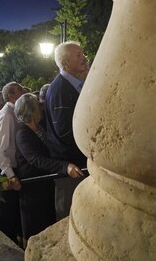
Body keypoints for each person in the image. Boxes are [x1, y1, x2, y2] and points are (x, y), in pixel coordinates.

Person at [14, 93, 84, 244]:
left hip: (44, 186)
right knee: (35, 229)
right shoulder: (22, 133)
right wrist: (64, 167)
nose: (41, 108)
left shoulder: (38, 127)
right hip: (33, 190)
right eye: (38, 106)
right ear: (31, 111)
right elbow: (36, 159)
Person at [45, 41, 89, 220]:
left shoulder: (72, 85)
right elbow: (64, 131)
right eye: (78, 55)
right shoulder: (61, 90)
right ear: (65, 63)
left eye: (83, 53)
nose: (84, 57)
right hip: (71, 167)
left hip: (77, 162)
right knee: (70, 217)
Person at [0, 81, 26, 243]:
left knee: (12, 214)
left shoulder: (15, 112)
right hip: (9, 170)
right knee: (5, 217)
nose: (23, 92)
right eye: (20, 90)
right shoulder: (5, 115)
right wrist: (11, 175)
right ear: (12, 95)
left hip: (16, 168)